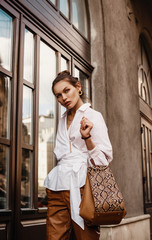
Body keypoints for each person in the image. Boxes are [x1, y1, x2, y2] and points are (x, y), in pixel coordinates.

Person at [44, 70, 113, 240]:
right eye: (58, 95)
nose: (63, 98)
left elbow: (103, 160)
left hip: (82, 187)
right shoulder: (61, 120)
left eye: (66, 90)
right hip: (57, 187)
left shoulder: (94, 116)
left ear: (78, 87)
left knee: (86, 238)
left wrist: (87, 137)